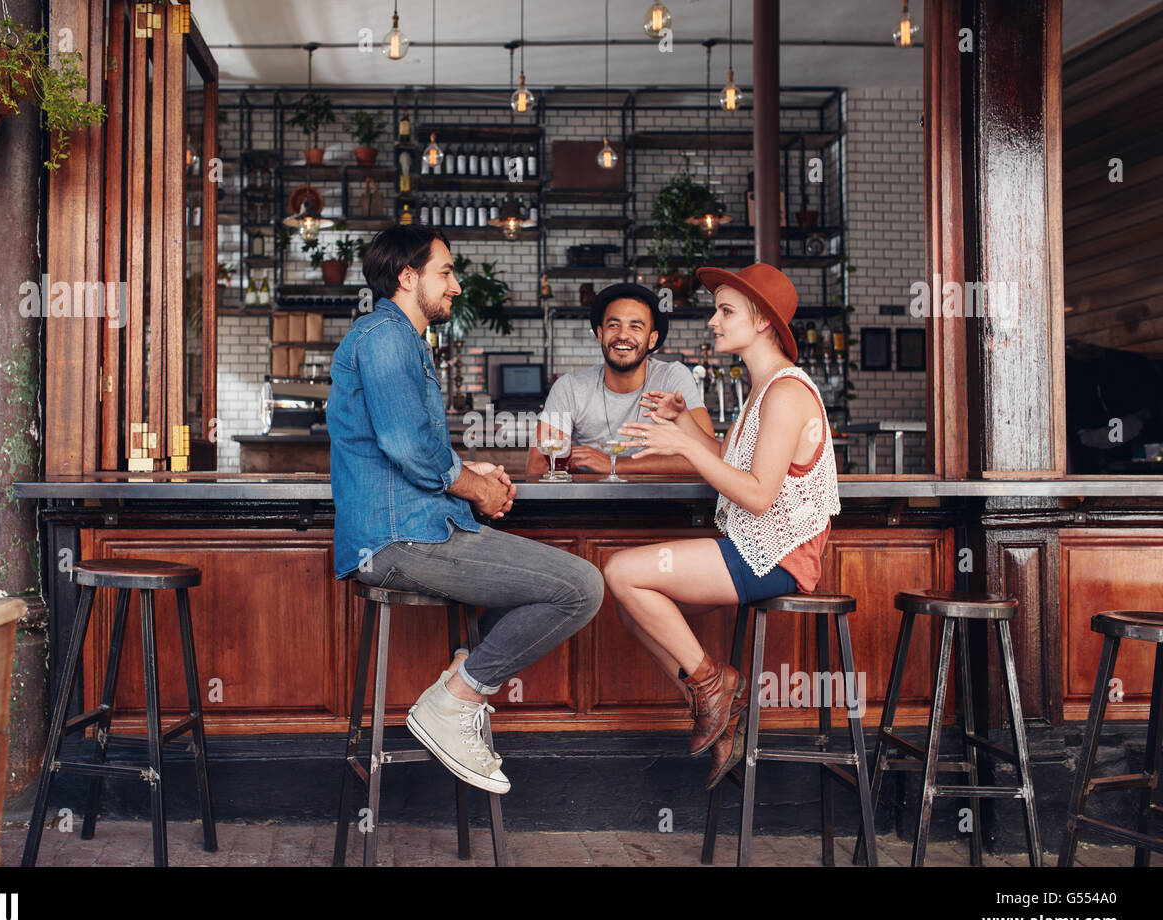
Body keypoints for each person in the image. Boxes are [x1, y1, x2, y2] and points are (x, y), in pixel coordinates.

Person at [327, 224, 604, 795]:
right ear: (408, 277)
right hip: (396, 541)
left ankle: (462, 678)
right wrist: (476, 488)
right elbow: (405, 445)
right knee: (580, 587)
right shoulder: (385, 335)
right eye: (446, 272)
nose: (456, 285)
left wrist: (477, 475)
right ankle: (453, 700)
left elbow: (421, 446)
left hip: (421, 530)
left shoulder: (405, 339)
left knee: (572, 586)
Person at [602, 263, 840, 790]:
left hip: (777, 555)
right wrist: (684, 419)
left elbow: (756, 494)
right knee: (630, 605)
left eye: (726, 311)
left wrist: (682, 445)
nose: (713, 321)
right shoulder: (762, 390)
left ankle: (715, 683)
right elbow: (727, 459)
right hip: (751, 547)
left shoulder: (786, 393)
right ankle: (720, 709)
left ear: (761, 322)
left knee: (620, 571)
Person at [524, 283, 716, 477]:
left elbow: (709, 459)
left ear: (652, 339)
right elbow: (537, 466)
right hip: (588, 503)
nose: (623, 335)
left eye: (636, 326)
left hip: (664, 503)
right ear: (600, 334)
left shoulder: (672, 376)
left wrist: (612, 465)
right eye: (613, 325)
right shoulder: (570, 388)